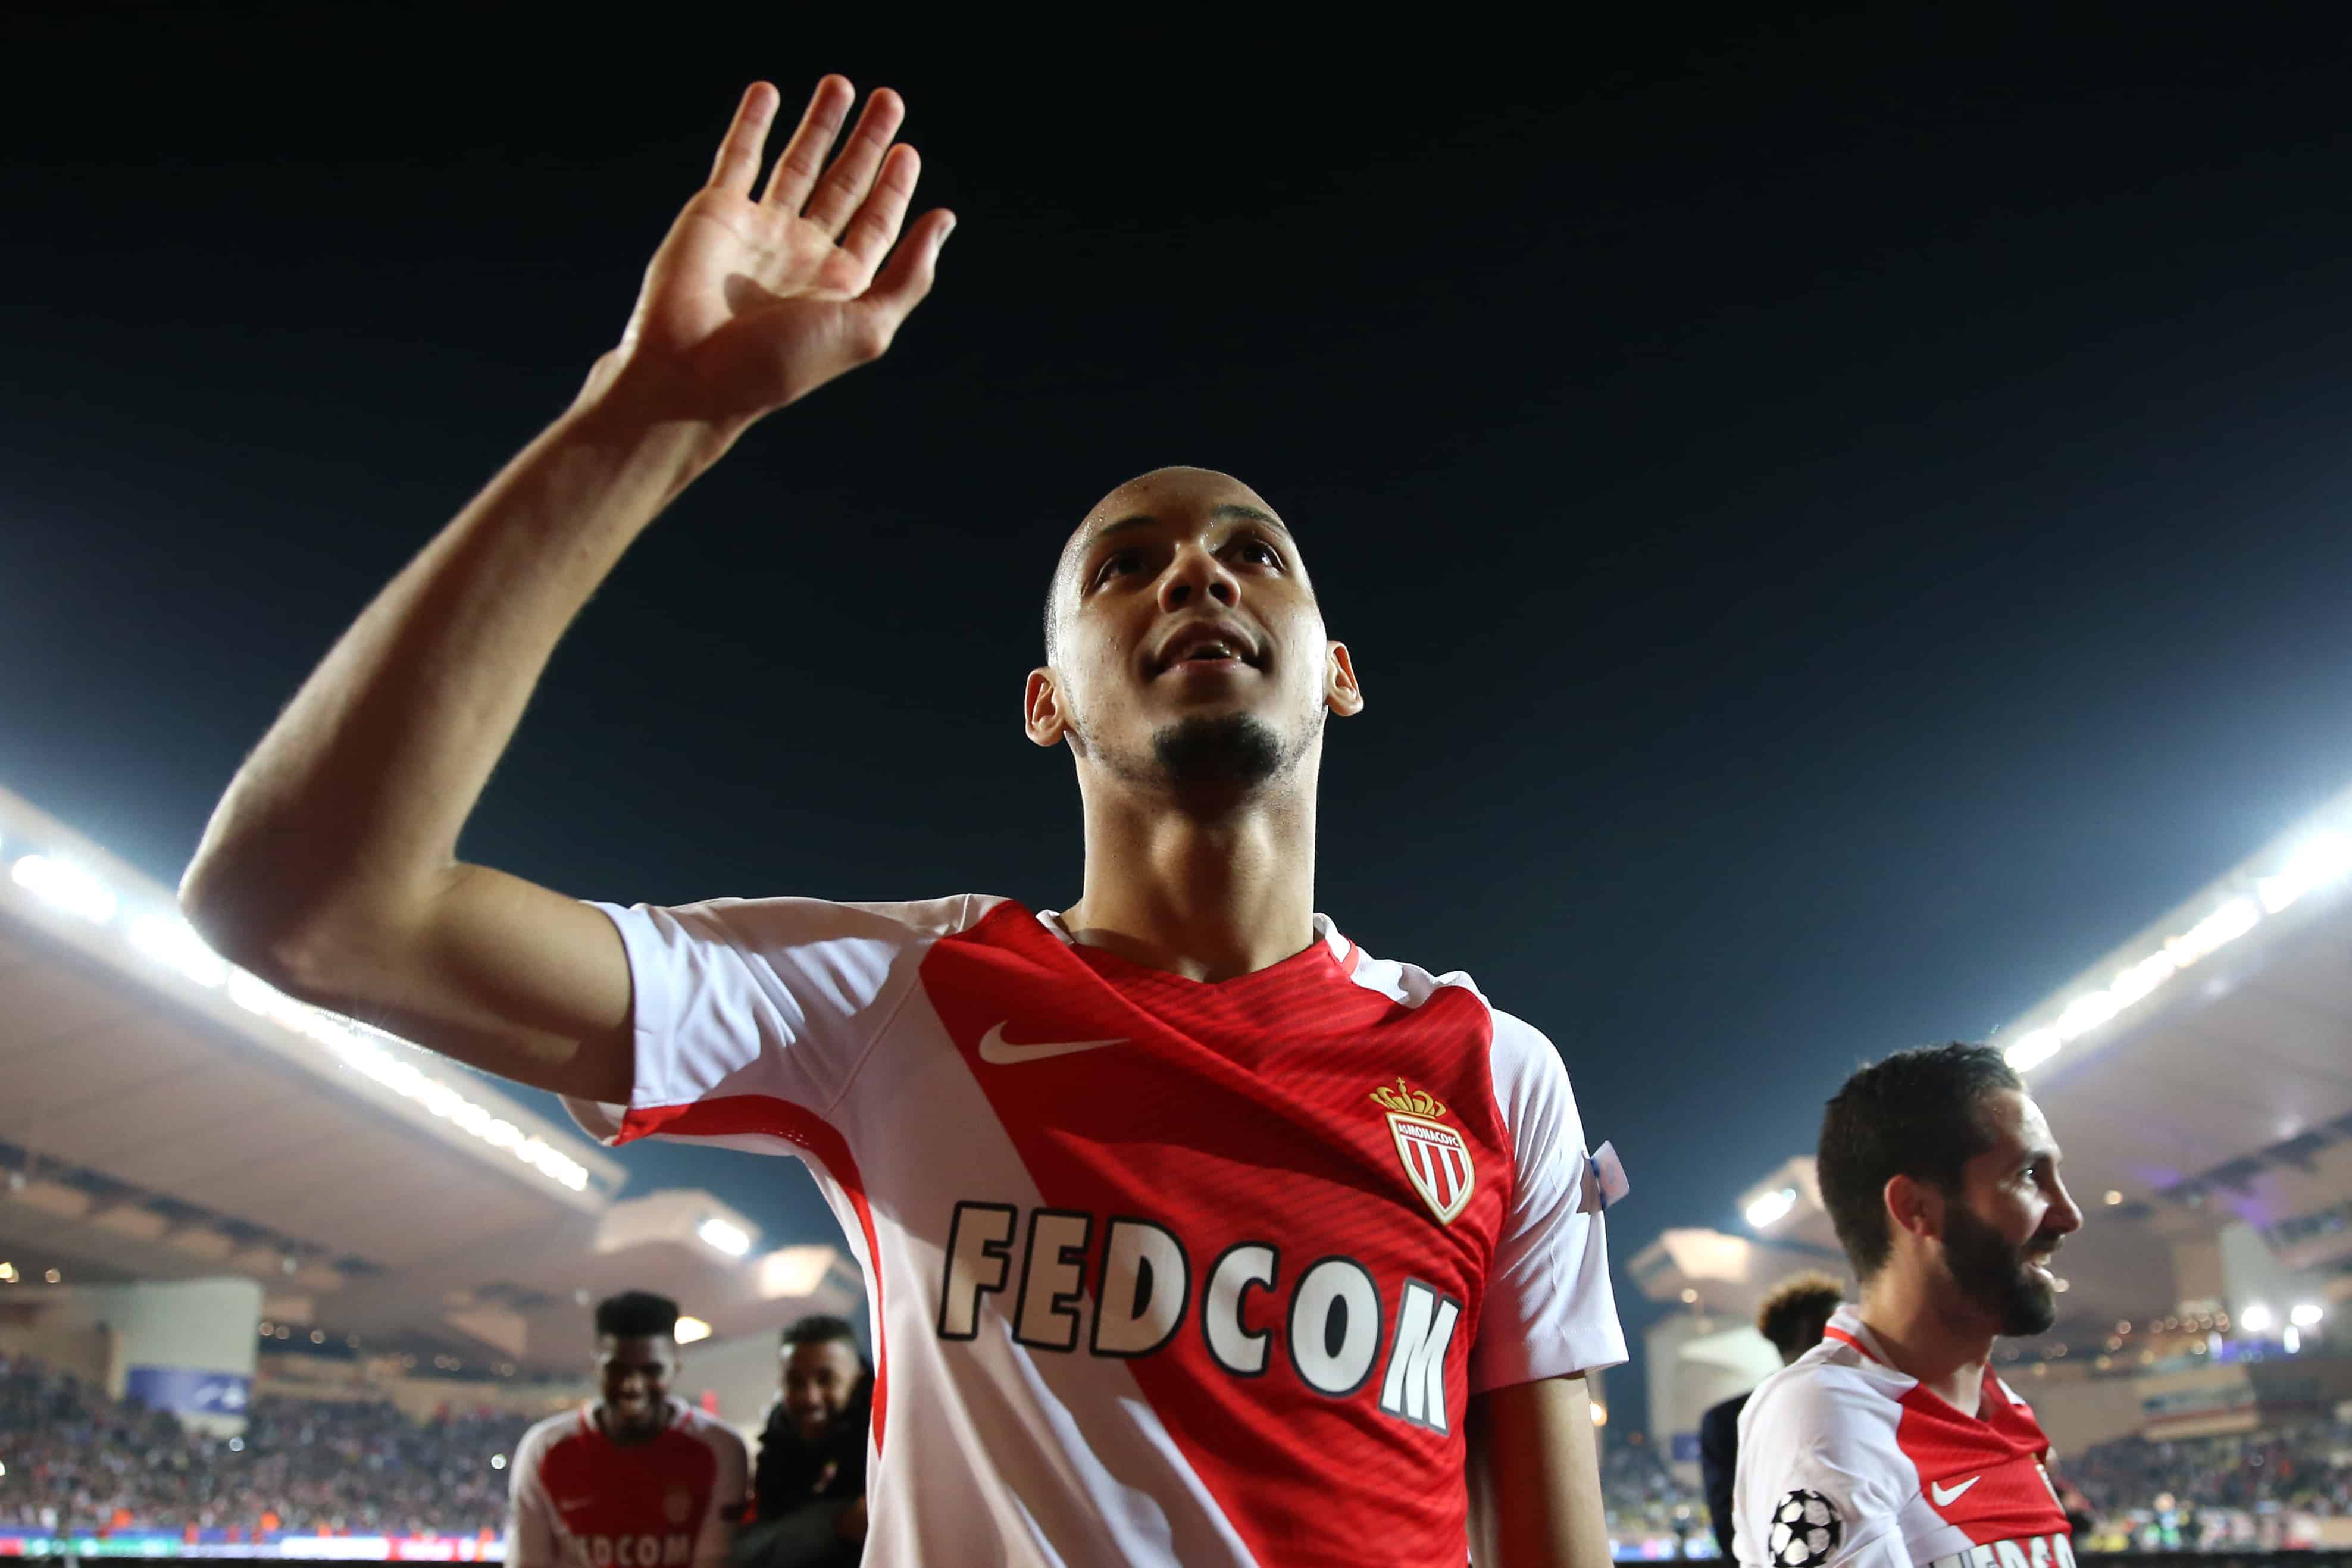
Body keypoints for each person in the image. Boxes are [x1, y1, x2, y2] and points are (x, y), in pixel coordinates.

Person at [180, 72, 1627, 1567]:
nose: (1197, 572)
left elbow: (1548, 1537)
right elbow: (304, 906)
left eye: (1250, 551)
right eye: (1123, 567)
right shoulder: (892, 998)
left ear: (1335, 671)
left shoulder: (1492, 1073)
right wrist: (649, 415)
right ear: (1043, 702)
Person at [1732, 1045, 2086, 1568]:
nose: (2068, 1214)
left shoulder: (2004, 1410)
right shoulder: (1827, 1417)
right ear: (1916, 1208)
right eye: (2029, 1175)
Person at [505, 1291, 749, 1568]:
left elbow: (714, 1561)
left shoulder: (721, 1449)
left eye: (651, 1371)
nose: (633, 1385)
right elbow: (529, 1561)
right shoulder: (544, 1450)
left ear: (675, 1367)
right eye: (617, 1370)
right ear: (596, 1366)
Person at [1700, 1272, 1842, 1557]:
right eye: (1837, 1322)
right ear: (1807, 1331)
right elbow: (1729, 1528)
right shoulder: (1728, 1421)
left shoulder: (1723, 1419)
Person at [736, 1316, 871, 1568]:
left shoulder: (889, 1444)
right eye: (795, 1382)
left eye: (826, 1380)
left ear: (859, 1380)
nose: (810, 1398)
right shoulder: (778, 1441)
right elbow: (754, 1551)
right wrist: (836, 1522)